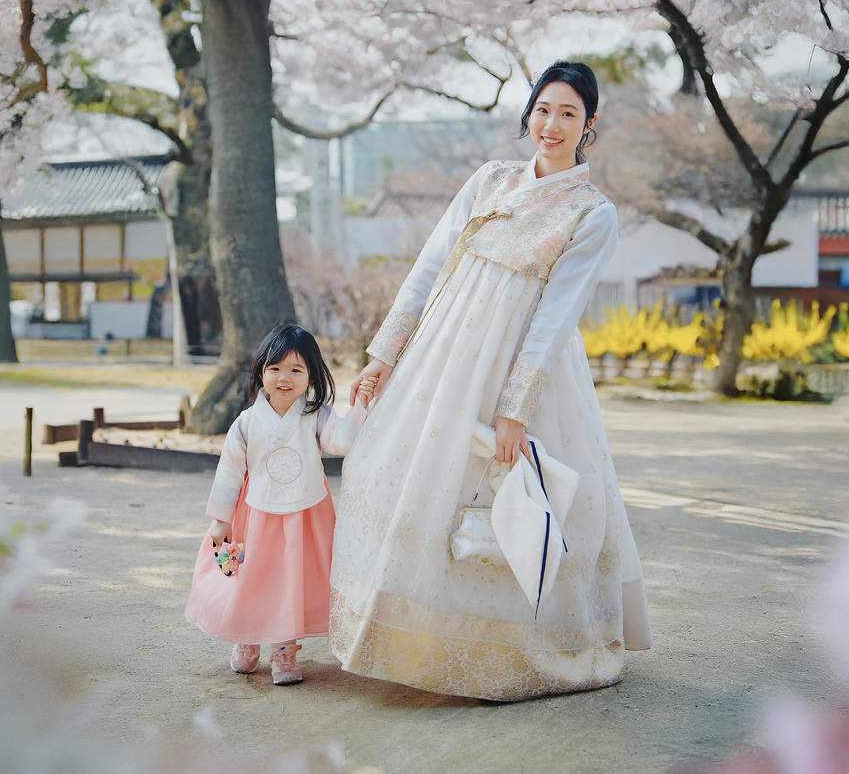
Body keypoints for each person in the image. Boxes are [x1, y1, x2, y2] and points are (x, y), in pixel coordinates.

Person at [329, 61, 653, 701]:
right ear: (528, 113)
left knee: (511, 500)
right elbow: (429, 268)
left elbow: (556, 317)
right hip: (444, 356)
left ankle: (510, 652)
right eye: (542, 109)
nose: (551, 124)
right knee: (413, 478)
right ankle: (408, 641)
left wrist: (514, 409)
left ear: (590, 123)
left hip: (523, 366)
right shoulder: (491, 181)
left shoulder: (592, 212)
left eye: (568, 113)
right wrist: (385, 353)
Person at [185, 322, 375, 685]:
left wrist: (360, 404)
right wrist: (221, 521)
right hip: (257, 516)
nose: (283, 378)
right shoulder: (246, 423)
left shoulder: (316, 416)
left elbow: (343, 441)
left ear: (312, 376)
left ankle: (285, 650)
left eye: (295, 370)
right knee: (254, 578)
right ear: (261, 373)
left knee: (292, 580)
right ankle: (247, 638)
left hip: (305, 515)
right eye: (275, 369)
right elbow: (228, 473)